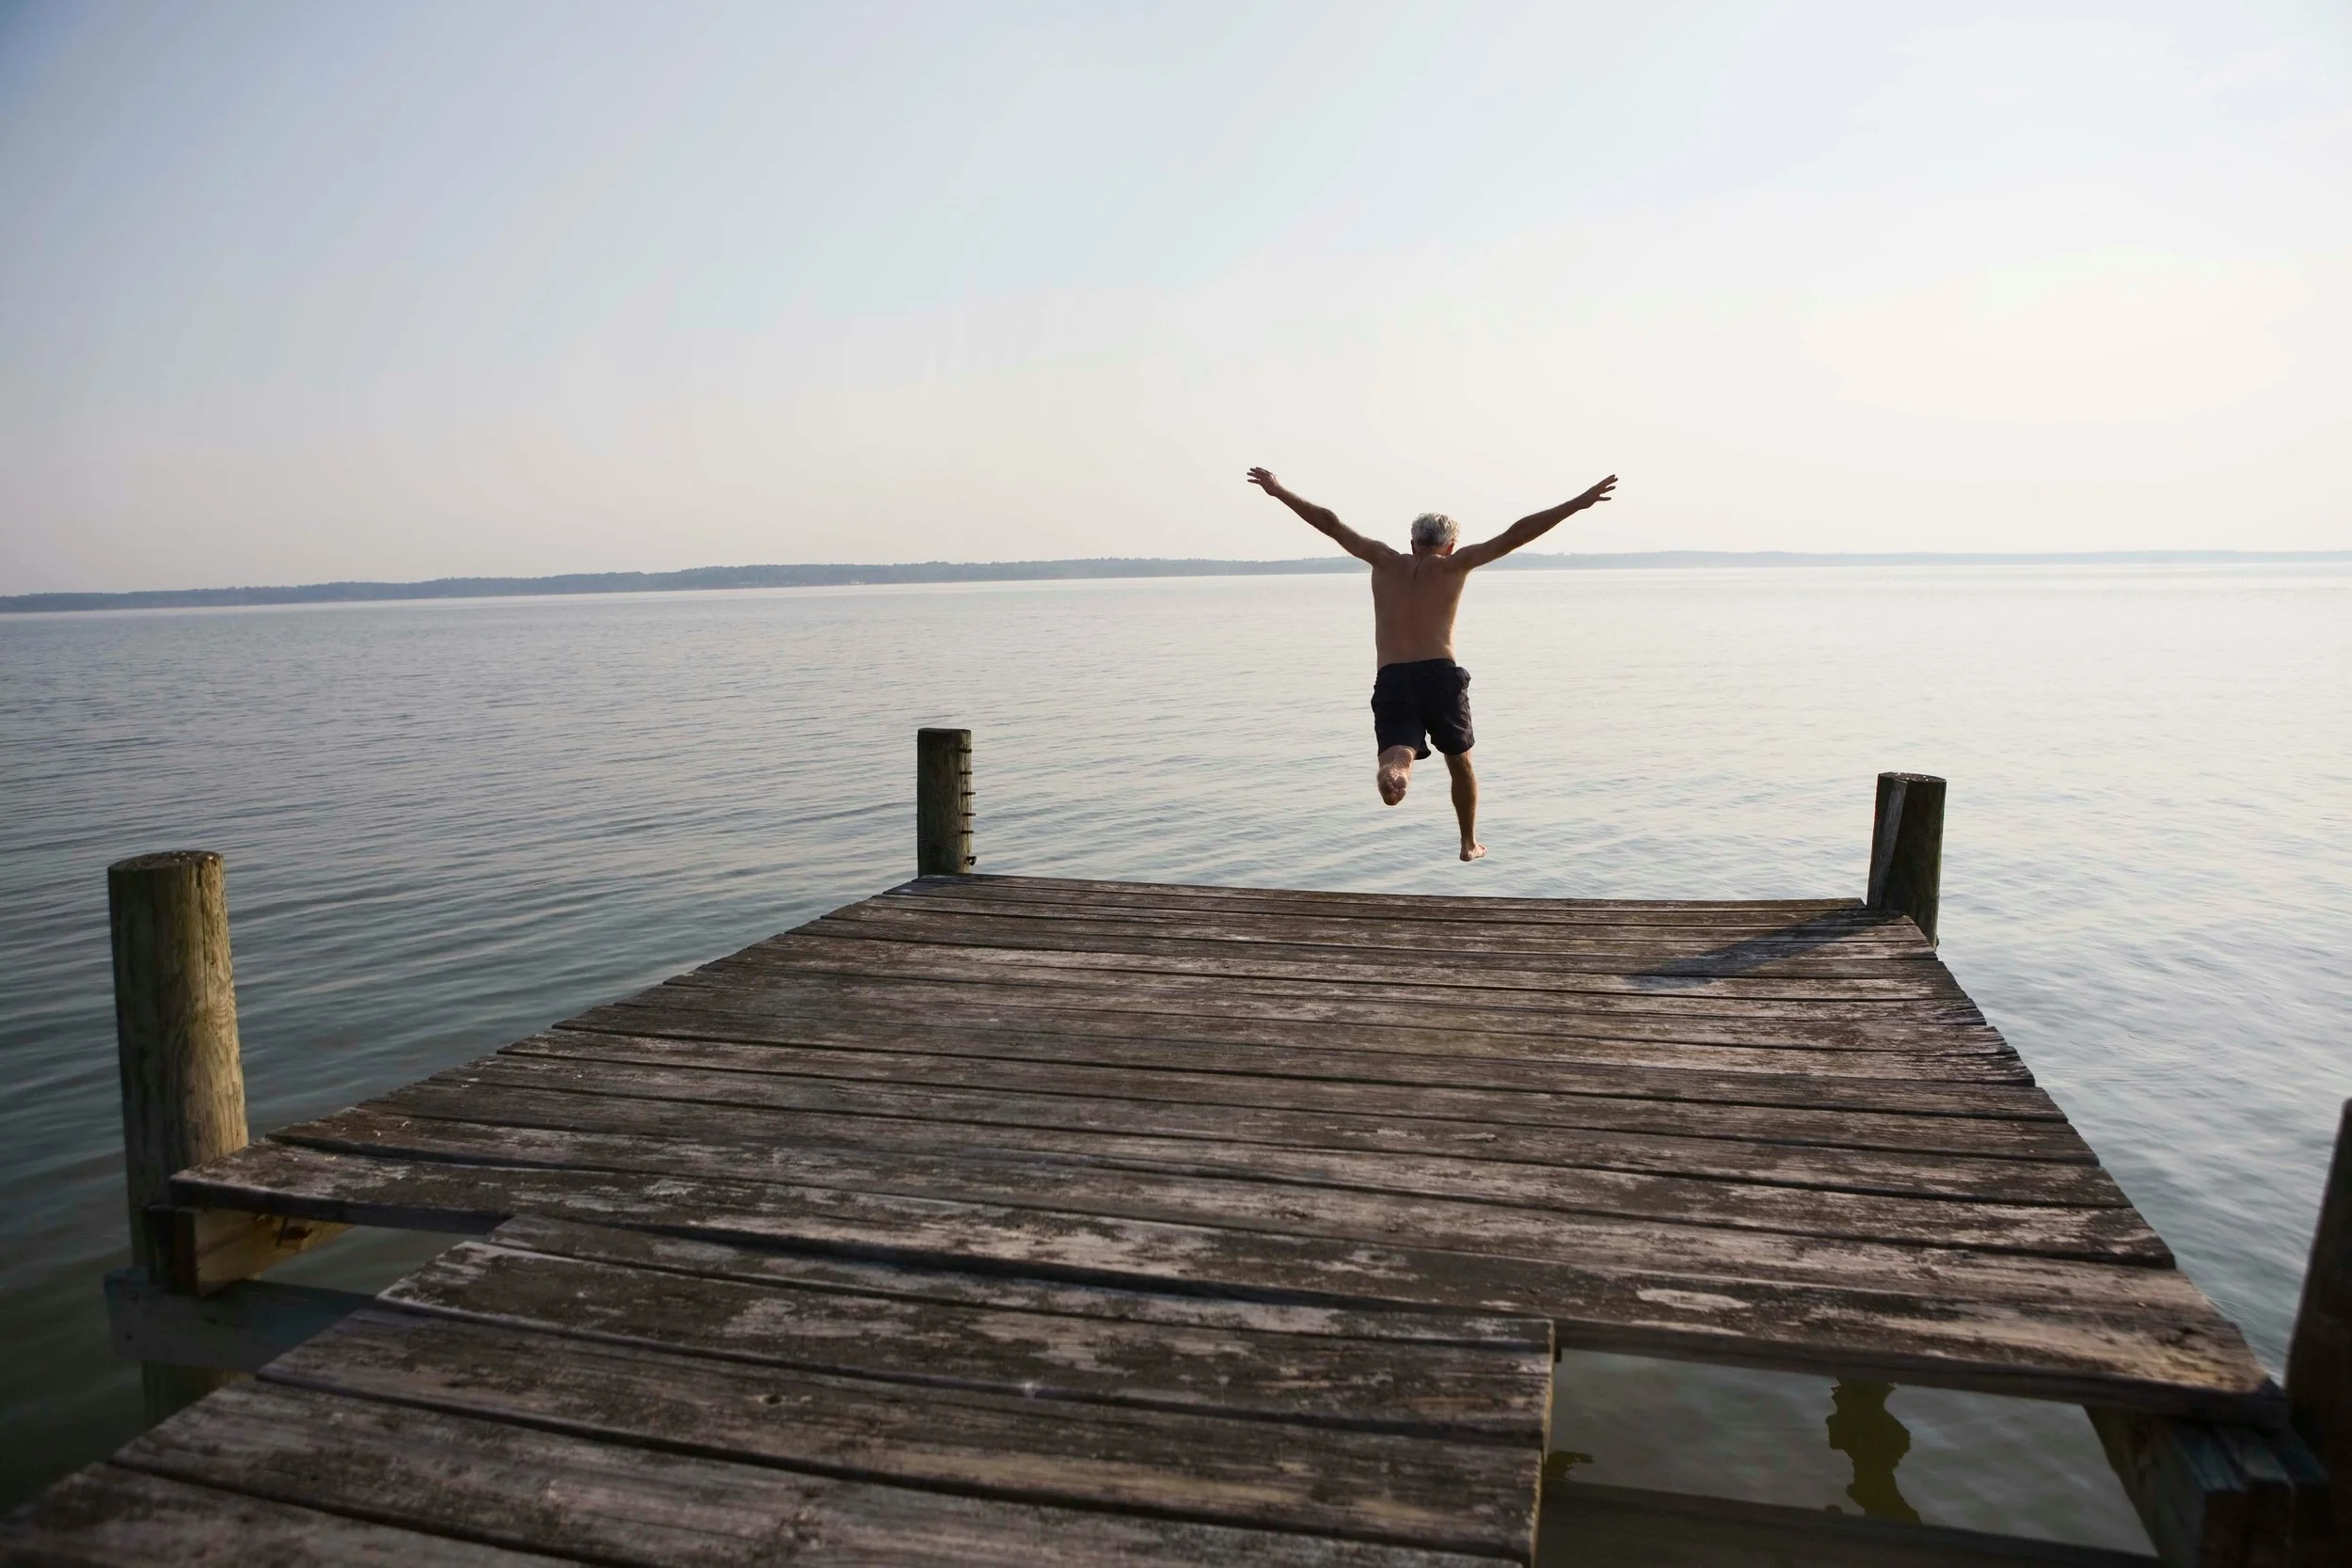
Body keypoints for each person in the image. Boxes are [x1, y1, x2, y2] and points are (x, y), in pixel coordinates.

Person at [1247, 466, 1617, 861]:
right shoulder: (1456, 565)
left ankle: (1397, 772)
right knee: (1460, 763)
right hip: (1440, 675)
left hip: (1393, 675)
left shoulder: (1383, 560)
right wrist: (1579, 503)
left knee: (1398, 751)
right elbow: (1517, 533)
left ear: (1411, 543)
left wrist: (1279, 491)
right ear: (1452, 545)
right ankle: (1468, 843)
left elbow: (1332, 524)